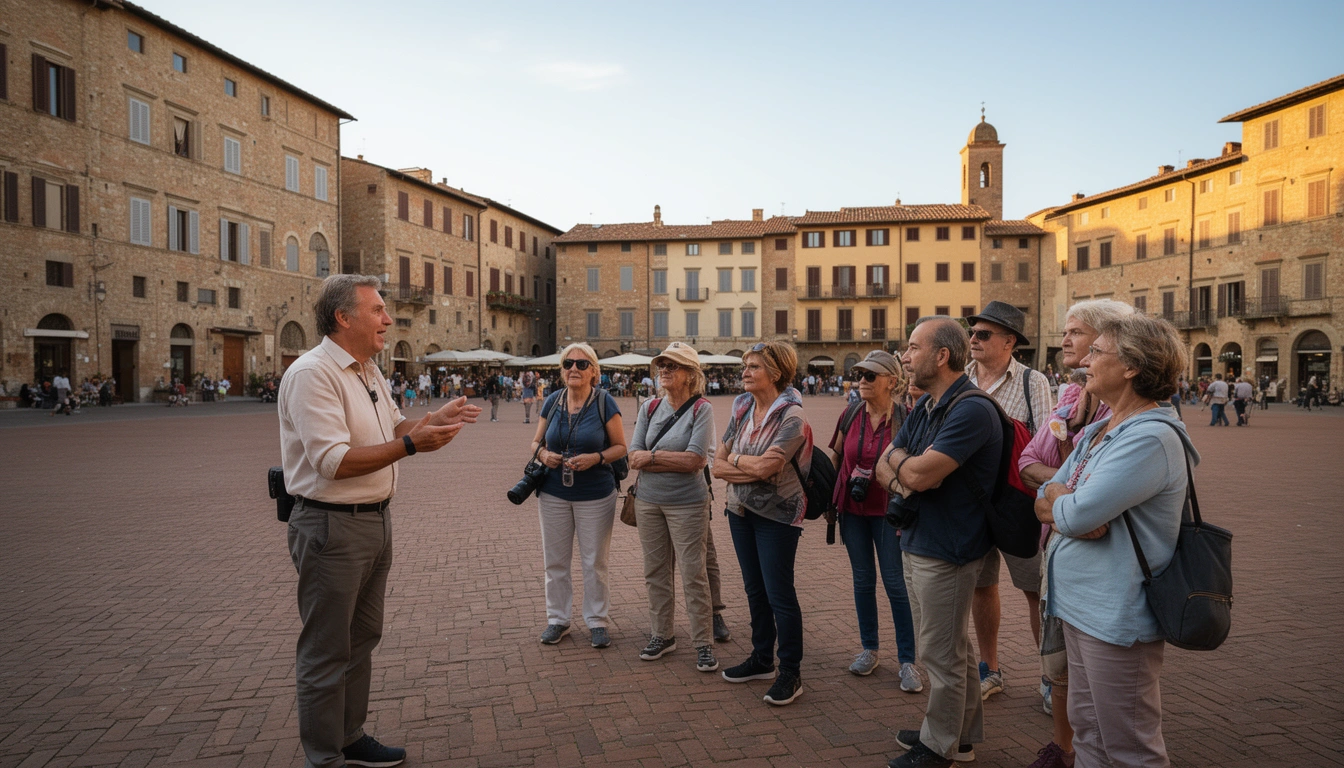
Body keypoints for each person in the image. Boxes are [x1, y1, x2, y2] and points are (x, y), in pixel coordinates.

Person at [279, 274, 481, 768]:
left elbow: (393, 426)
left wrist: (431, 421)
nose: (388, 320)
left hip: (374, 521)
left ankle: (349, 737)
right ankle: (324, 757)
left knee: (362, 638)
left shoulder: (367, 369)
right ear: (343, 317)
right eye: (377, 311)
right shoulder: (312, 374)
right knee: (327, 648)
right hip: (331, 527)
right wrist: (412, 445)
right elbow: (332, 461)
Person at [1037, 313, 1195, 768]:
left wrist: (1064, 505)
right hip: (1080, 607)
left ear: (1131, 366)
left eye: (1097, 351)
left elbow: (1073, 512)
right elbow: (1044, 497)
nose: (1085, 361)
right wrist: (1062, 502)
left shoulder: (1151, 437)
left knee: (1130, 747)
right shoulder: (1099, 431)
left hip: (1115, 615)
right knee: (1088, 729)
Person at [877, 316, 1002, 768]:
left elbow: (920, 475)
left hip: (948, 548)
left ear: (942, 355)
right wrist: (905, 470)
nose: (905, 356)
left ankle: (939, 745)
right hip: (920, 539)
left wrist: (905, 471)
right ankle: (959, 735)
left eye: (913, 347)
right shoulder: (928, 406)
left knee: (940, 653)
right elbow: (886, 463)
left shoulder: (971, 409)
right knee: (953, 648)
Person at [1018, 299, 1134, 768]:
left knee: (1111, 702)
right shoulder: (1070, 398)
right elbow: (1028, 464)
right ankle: (1064, 749)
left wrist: (1061, 498)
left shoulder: (1135, 419)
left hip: (1104, 570)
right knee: (1065, 669)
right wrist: (1070, 496)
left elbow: (1090, 511)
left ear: (1111, 343)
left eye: (1077, 332)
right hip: (1059, 552)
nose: (1064, 340)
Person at [962, 301, 1054, 703]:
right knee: (982, 586)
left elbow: (1048, 443)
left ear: (1009, 342)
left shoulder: (1033, 382)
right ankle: (990, 668)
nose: (974, 339)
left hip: (1017, 503)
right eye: (972, 332)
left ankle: (1051, 677)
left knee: (1036, 591)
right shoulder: (962, 377)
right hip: (972, 503)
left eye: (983, 334)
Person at [712, 341, 811, 707]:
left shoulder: (793, 416)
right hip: (739, 510)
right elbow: (716, 465)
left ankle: (791, 672)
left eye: (754, 367)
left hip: (778, 515)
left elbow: (770, 466)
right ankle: (761, 658)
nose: (745, 373)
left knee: (779, 593)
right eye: (746, 366)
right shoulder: (742, 407)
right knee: (755, 589)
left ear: (776, 373)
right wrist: (747, 467)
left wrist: (736, 461)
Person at [826, 351, 920, 692]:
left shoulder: (906, 418)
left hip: (889, 512)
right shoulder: (850, 414)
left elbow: (916, 466)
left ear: (892, 382)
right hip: (852, 510)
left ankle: (908, 660)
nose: (862, 381)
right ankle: (870, 648)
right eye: (859, 375)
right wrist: (826, 496)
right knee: (863, 580)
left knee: (895, 583)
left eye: (870, 376)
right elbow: (836, 455)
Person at [628, 342, 719, 672]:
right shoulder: (649, 407)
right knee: (655, 572)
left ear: (690, 374)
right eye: (661, 365)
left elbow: (695, 459)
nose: (664, 370)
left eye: (672, 365)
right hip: (648, 502)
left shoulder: (702, 409)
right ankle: (662, 635)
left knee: (693, 573)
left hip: (687, 504)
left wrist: (651, 457)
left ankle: (703, 642)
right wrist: (665, 459)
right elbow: (632, 456)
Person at [530, 343, 627, 648]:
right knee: (555, 561)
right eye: (568, 363)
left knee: (594, 561)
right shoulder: (553, 401)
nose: (574, 368)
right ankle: (558, 620)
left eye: (582, 364)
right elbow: (535, 442)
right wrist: (543, 455)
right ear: (562, 370)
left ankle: (597, 620)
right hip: (553, 492)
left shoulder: (604, 402)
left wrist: (596, 458)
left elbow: (621, 447)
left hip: (595, 493)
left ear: (594, 371)